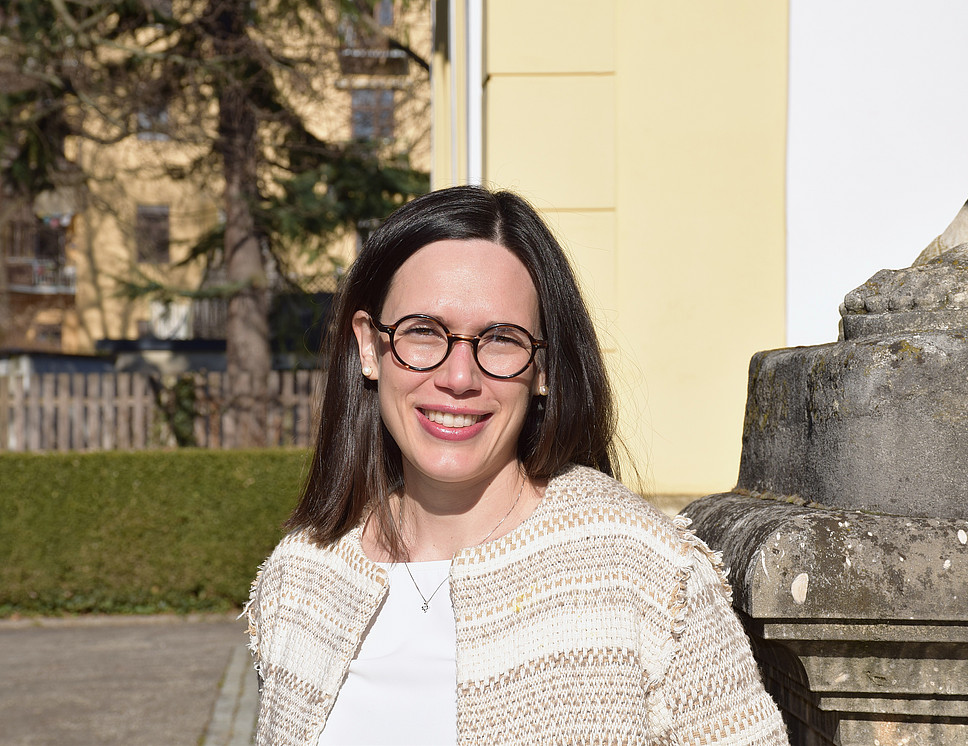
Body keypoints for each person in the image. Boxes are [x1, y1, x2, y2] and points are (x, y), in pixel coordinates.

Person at [245, 185, 788, 745]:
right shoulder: (303, 578)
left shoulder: (645, 574)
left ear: (544, 368)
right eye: (424, 333)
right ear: (368, 347)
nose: (459, 378)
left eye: (501, 339)